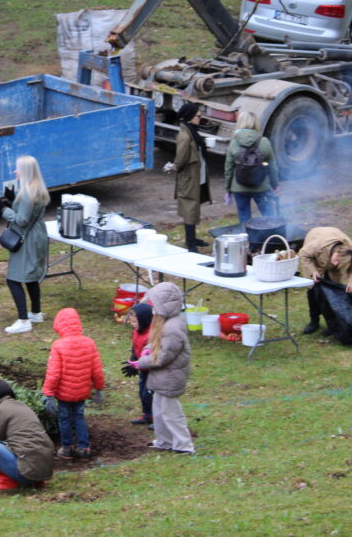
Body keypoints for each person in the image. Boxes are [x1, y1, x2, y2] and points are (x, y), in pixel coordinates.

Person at [129, 282, 194, 454]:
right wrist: (147, 349)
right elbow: (157, 343)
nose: (152, 307)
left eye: (155, 303)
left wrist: (141, 362)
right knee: (158, 412)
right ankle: (165, 441)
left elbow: (163, 357)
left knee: (171, 414)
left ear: (165, 305)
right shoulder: (164, 322)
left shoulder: (173, 328)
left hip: (170, 377)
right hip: (162, 377)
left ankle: (184, 445)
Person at [0, 155, 49, 334]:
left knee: (13, 279)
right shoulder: (37, 189)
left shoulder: (28, 193)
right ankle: (36, 313)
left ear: (25, 172)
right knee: (30, 276)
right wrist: (12, 200)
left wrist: (2, 209)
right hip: (37, 235)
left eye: (18, 169)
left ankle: (23, 320)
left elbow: (22, 220)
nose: (15, 171)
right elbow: (28, 213)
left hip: (27, 239)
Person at [0, 380, 54, 490]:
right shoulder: (23, 406)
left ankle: (6, 480)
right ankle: (35, 481)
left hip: (23, 473)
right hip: (43, 473)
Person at [42, 308, 105, 460]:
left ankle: (67, 447)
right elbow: (96, 370)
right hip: (82, 391)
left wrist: (48, 394)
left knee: (64, 418)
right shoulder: (89, 343)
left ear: (59, 325)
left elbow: (54, 373)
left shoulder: (58, 345)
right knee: (79, 416)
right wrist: (98, 389)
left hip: (64, 393)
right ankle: (84, 448)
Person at [298, 227, 352, 335]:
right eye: (336, 260)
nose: (335, 264)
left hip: (330, 255)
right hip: (313, 258)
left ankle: (333, 324)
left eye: (339, 263)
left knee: (334, 292)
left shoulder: (351, 251)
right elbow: (303, 254)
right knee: (313, 290)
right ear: (336, 252)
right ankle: (314, 321)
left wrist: (351, 282)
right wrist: (313, 271)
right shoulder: (317, 245)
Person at [224, 111, 279, 223]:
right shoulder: (264, 142)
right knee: (268, 218)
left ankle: (247, 234)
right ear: (255, 123)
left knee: (244, 218)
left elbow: (228, 169)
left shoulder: (234, 143)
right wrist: (274, 184)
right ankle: (270, 234)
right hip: (261, 187)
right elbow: (272, 166)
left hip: (239, 188)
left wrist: (228, 189)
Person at [172, 102, 212, 253]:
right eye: (198, 116)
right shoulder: (185, 136)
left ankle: (193, 239)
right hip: (190, 179)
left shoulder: (192, 132)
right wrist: (174, 166)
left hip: (197, 176)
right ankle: (190, 244)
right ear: (190, 117)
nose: (200, 118)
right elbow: (180, 159)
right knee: (189, 209)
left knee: (194, 207)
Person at [122, 302, 154, 426]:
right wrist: (133, 360)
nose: (132, 324)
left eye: (134, 322)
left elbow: (153, 356)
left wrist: (139, 363)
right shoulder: (136, 331)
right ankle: (147, 415)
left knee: (149, 394)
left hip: (152, 370)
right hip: (142, 368)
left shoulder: (151, 336)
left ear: (144, 321)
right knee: (141, 392)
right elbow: (135, 346)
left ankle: (156, 417)